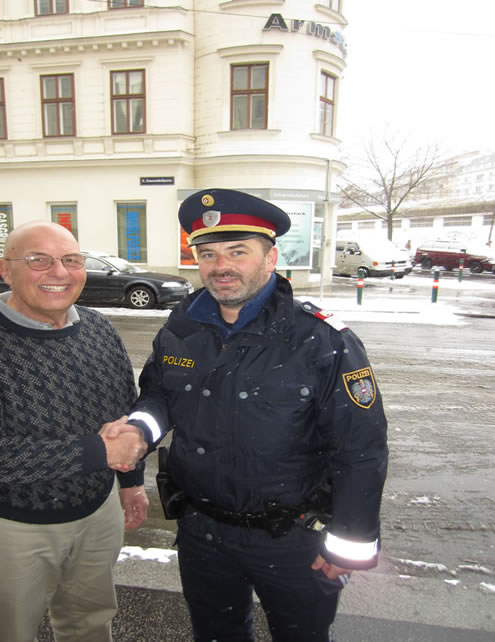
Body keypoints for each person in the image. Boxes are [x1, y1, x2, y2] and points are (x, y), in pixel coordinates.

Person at [123, 189, 388, 641]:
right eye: (207, 253)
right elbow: (159, 398)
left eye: (237, 251)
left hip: (295, 539)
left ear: (270, 257)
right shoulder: (182, 328)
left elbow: (360, 449)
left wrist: (351, 543)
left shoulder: (322, 339)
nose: (220, 265)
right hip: (202, 533)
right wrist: (137, 429)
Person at [0, 221, 149, 642]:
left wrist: (131, 482)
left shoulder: (100, 329)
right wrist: (93, 454)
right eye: (38, 260)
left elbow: (124, 409)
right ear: (4, 270)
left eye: (70, 260)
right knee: (10, 631)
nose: (59, 272)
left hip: (97, 515)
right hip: (8, 527)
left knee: (91, 621)